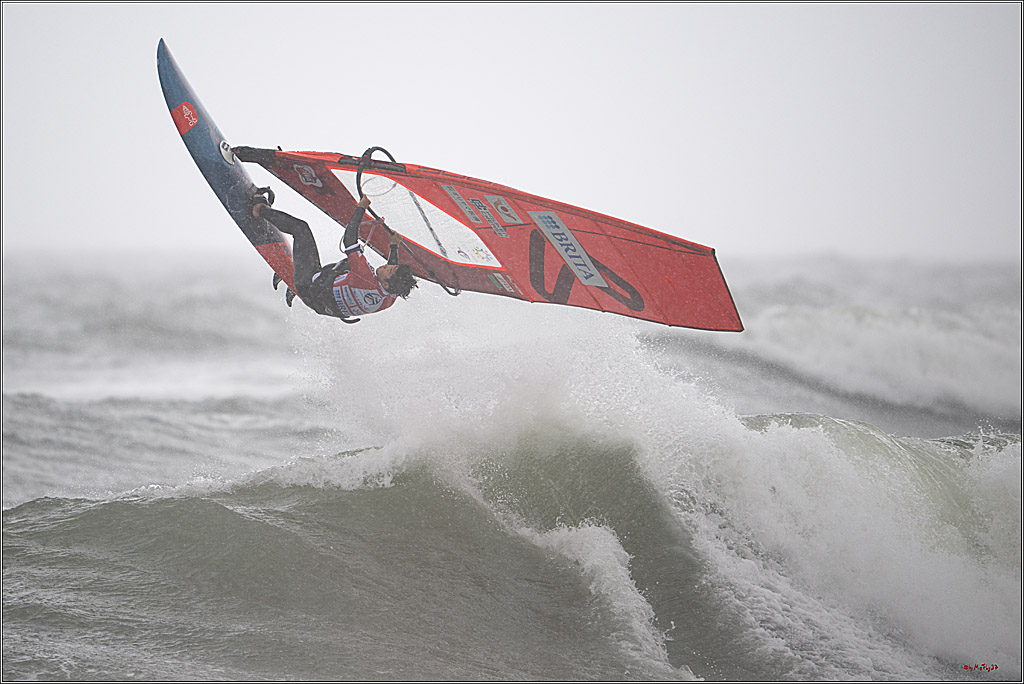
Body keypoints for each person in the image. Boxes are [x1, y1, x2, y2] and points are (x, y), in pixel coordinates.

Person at [251, 190, 417, 322]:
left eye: (388, 270)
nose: (386, 266)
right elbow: (393, 273)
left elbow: (349, 239)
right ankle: (300, 281)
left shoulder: (365, 277)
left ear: (387, 284)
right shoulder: (390, 298)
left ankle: (259, 209)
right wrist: (393, 246)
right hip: (324, 307)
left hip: (309, 286)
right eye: (390, 266)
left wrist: (361, 207)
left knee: (301, 229)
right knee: (348, 267)